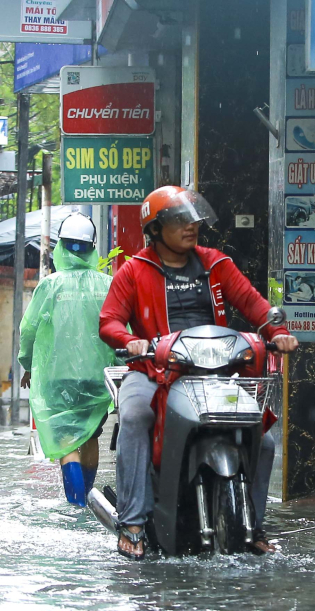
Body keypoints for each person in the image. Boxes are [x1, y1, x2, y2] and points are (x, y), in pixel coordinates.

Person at [98, 186, 296, 560]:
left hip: (215, 372)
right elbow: (109, 321)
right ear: (155, 230)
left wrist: (278, 332)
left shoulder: (216, 264)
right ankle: (134, 523)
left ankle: (253, 526)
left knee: (264, 440)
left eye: (193, 219)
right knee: (137, 415)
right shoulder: (134, 270)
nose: (191, 227)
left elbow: (255, 306)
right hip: (153, 368)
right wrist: (131, 341)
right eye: (178, 220)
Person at [17, 212, 114, 505]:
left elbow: (29, 331)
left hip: (58, 377)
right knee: (91, 436)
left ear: (61, 246)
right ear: (92, 247)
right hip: (98, 377)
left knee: (66, 441)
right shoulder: (108, 285)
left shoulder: (49, 286)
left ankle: (76, 503)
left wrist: (27, 365)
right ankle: (87, 498)